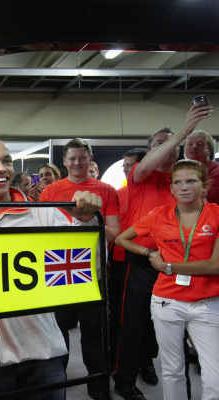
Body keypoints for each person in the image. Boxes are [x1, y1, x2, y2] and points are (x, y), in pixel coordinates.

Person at [0, 136, 103, 400]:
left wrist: (86, 224)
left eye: (7, 161)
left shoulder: (44, 214)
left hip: (44, 353)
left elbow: (88, 272)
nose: (1, 168)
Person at [114, 102, 213, 400]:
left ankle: (147, 363)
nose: (167, 148)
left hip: (179, 264)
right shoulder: (141, 176)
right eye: (158, 144)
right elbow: (146, 164)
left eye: (172, 145)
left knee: (158, 325)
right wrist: (183, 131)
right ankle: (124, 378)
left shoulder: (181, 181)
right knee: (131, 324)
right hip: (143, 258)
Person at [39, 138, 120, 400]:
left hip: (93, 272)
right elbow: (40, 233)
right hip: (57, 272)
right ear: (64, 161)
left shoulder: (106, 190)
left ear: (90, 158)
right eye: (72, 158)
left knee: (94, 334)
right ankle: (57, 382)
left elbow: (114, 234)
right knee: (58, 331)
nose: (77, 163)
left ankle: (97, 386)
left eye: (82, 158)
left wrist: (84, 220)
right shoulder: (50, 191)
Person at [108, 148, 147, 366]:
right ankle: (115, 357)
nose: (126, 171)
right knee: (119, 314)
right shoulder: (118, 193)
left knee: (146, 317)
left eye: (131, 166)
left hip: (147, 260)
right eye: (125, 166)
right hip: (120, 260)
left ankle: (146, 360)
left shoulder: (154, 191)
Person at [184, 130, 219, 204]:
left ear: (209, 150)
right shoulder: (175, 172)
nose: (194, 147)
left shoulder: (217, 171)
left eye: (199, 144)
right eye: (190, 144)